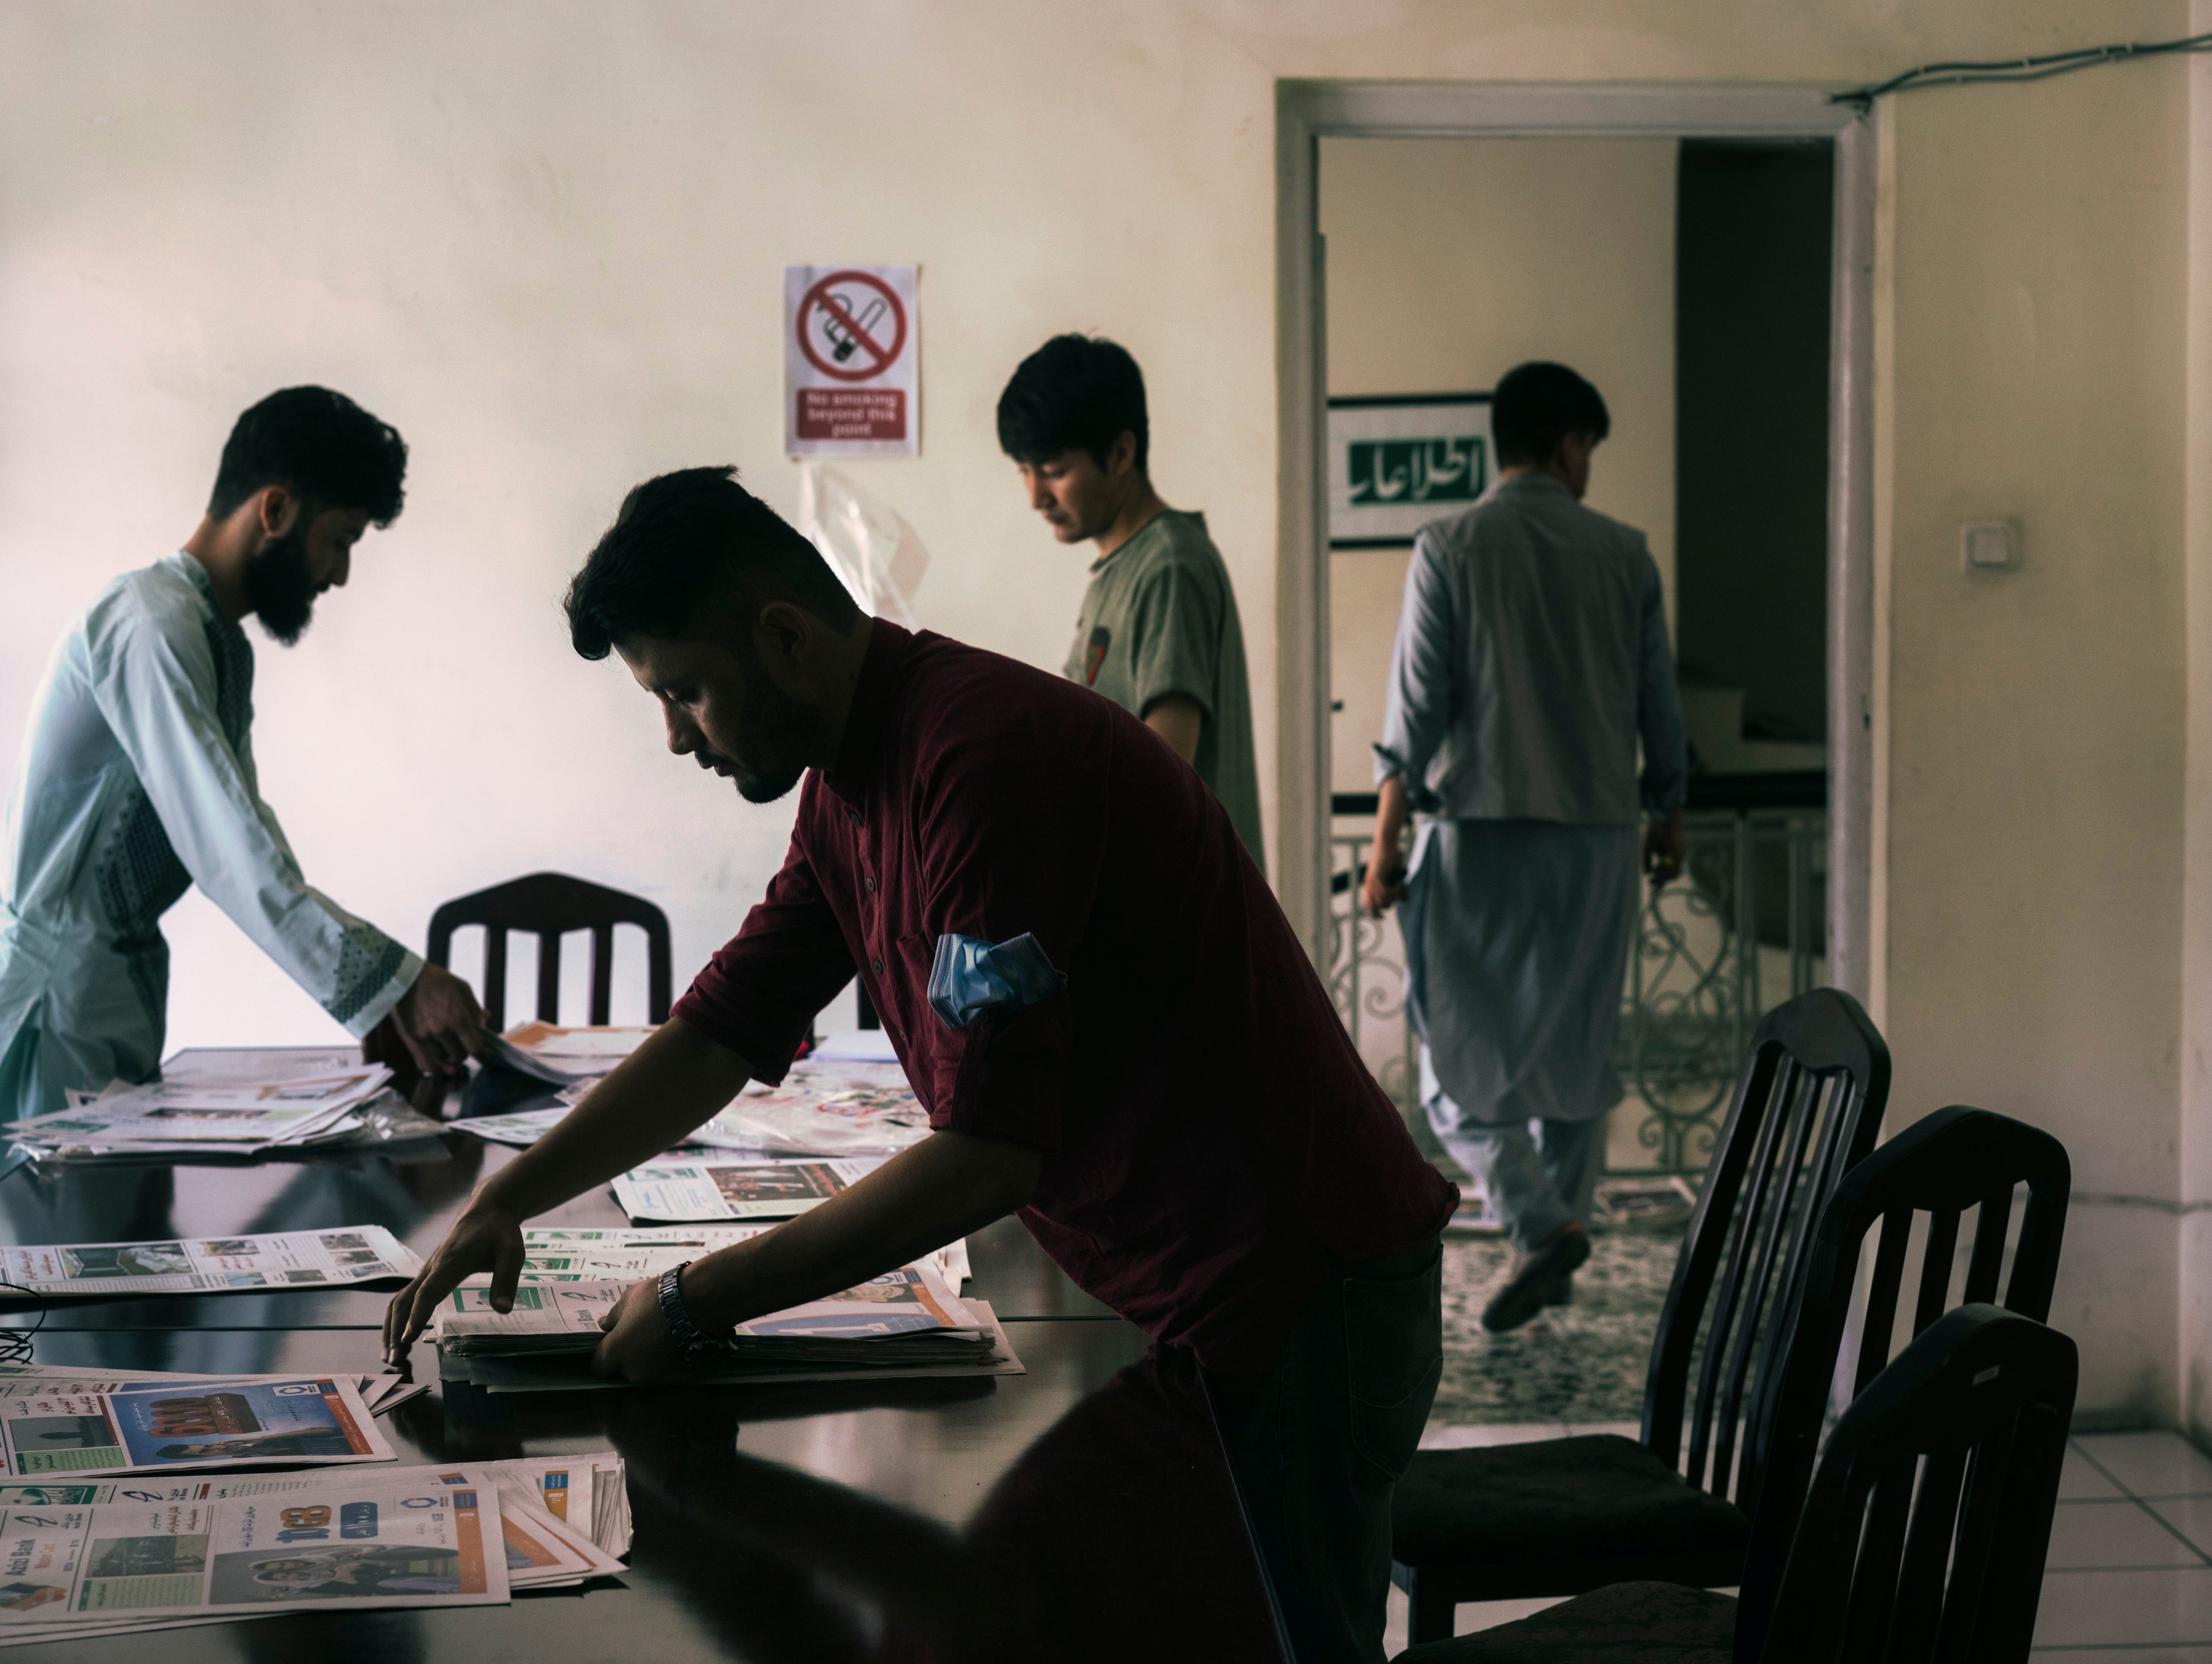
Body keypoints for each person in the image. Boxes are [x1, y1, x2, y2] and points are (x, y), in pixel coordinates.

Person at [386, 466, 1454, 1663]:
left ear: (784, 637)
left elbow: (987, 1155)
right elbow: (720, 1029)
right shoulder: (853, 778)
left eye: (684, 692)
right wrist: (509, 1196)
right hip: (1186, 1288)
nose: (675, 736)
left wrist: (699, 1301)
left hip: (1301, 1287)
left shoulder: (977, 763)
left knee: (1270, 1642)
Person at [0, 387, 489, 1252]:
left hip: (100, 1010)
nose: (341, 574)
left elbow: (247, 838)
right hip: (44, 1020)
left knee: (101, 1308)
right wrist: (396, 981)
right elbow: (231, 853)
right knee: (29, 1324)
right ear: (275, 509)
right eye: (341, 539)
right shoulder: (150, 623)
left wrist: (377, 1001)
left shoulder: (211, 637)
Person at [1363, 361, 1688, 1334]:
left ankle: (1539, 1225)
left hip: (1479, 844)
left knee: (1456, 1069)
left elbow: (1414, 713)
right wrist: (1666, 813)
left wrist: (1386, 842)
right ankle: (1554, 1233)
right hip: (1594, 842)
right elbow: (1656, 708)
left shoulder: (1448, 545)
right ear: (1568, 444)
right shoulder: (1624, 554)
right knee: (1573, 1056)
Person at [997, 334, 1264, 867]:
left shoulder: (1169, 565)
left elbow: (1159, 786)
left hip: (1186, 928)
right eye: (1024, 471)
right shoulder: (1119, 571)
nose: (1035, 497)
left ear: (1120, 453)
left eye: (1053, 471)